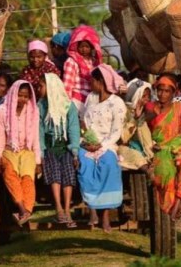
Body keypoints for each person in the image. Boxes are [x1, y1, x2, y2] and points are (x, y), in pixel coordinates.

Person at [78, 64, 126, 233]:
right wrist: (86, 142)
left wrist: (101, 146)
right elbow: (83, 120)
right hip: (87, 142)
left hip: (107, 144)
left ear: (101, 81)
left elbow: (116, 132)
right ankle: (92, 210)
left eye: (93, 80)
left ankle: (105, 215)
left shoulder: (117, 103)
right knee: (84, 165)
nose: (90, 83)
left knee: (108, 165)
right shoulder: (91, 98)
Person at [142, 74, 181, 220]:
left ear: (174, 93)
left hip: (179, 146)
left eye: (167, 91)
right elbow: (145, 120)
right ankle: (170, 207)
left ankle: (178, 202)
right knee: (166, 173)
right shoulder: (150, 106)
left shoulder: (180, 107)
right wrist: (154, 112)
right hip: (160, 148)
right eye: (160, 90)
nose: (163, 94)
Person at [0, 80, 41, 226]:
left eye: (26, 96)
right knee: (10, 173)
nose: (23, 99)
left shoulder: (33, 111)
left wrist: (38, 161)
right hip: (9, 150)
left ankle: (26, 210)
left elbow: (35, 137)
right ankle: (22, 209)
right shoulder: (2, 111)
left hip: (27, 151)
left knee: (28, 177)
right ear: (13, 94)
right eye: (20, 95)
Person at [37, 73, 80, 228]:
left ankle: (67, 209)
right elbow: (39, 131)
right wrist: (41, 152)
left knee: (68, 171)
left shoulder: (69, 106)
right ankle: (59, 208)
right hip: (49, 147)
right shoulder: (40, 106)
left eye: (42, 86)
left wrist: (74, 151)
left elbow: (73, 129)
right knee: (54, 171)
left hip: (65, 147)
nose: (39, 89)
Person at [63, 25, 104, 116]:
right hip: (76, 100)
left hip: (91, 99)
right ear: (76, 45)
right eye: (81, 46)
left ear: (92, 47)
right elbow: (67, 85)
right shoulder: (72, 61)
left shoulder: (94, 62)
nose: (84, 49)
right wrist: (66, 104)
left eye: (87, 47)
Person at [118, 79, 155, 173]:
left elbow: (145, 138)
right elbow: (123, 138)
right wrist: (134, 119)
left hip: (138, 146)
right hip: (122, 147)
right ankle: (149, 172)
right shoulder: (123, 111)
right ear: (136, 96)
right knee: (137, 157)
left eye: (148, 96)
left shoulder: (142, 112)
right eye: (144, 96)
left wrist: (139, 119)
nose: (147, 99)